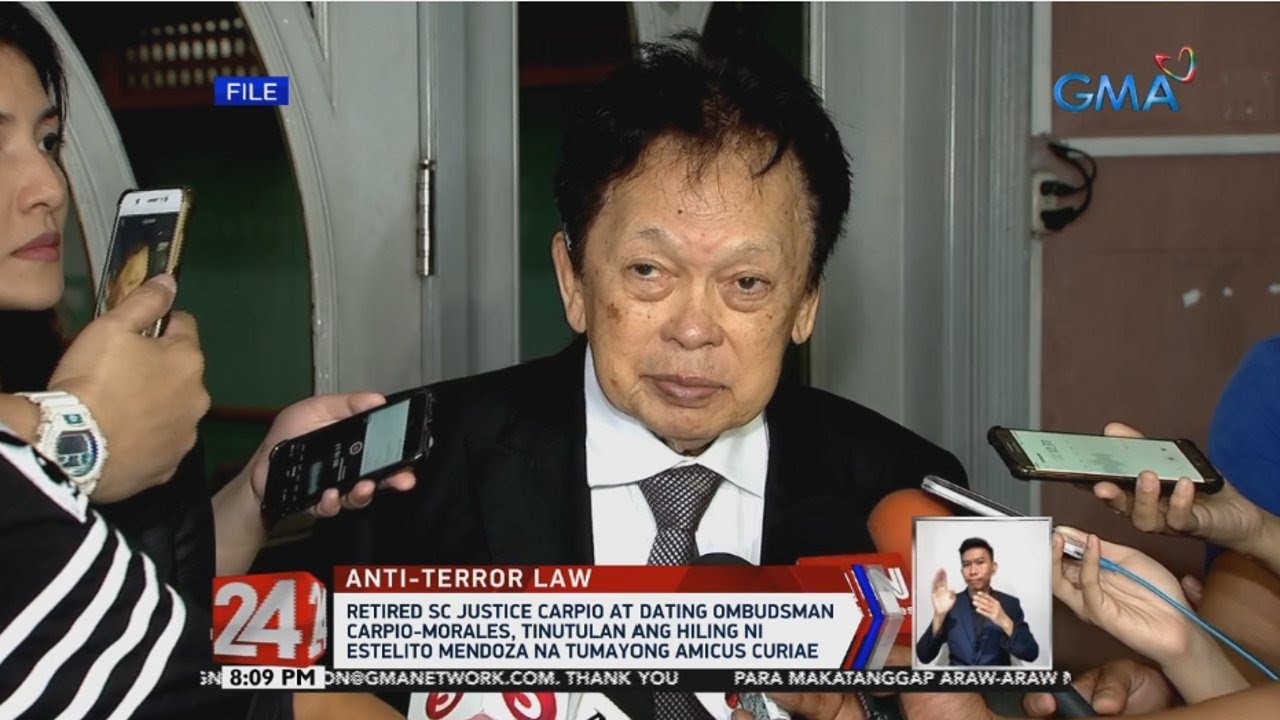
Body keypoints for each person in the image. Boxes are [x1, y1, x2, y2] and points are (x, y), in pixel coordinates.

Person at [312, 31, 967, 720]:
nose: (693, 328)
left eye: (747, 282)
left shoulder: (904, 501)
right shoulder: (406, 481)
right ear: (573, 280)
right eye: (648, 271)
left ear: (805, 304)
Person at [915, 538, 1039, 667]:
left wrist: (1004, 621)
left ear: (993, 568)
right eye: (966, 564)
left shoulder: (1010, 603)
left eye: (980, 562)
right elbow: (924, 656)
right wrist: (939, 616)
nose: (973, 571)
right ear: (962, 571)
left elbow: (1031, 654)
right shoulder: (950, 604)